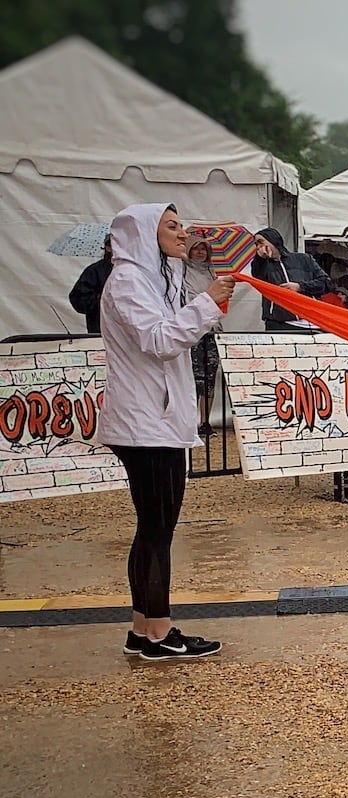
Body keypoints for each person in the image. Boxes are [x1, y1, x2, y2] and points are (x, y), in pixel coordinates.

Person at [97, 204, 236, 659]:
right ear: (143, 234)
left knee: (153, 528)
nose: (183, 233)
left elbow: (173, 334)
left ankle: (144, 628)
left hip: (154, 420)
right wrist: (205, 302)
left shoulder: (153, 279)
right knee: (157, 529)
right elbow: (158, 340)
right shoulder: (129, 281)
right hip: (145, 424)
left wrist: (203, 302)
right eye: (171, 226)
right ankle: (158, 632)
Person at [180, 239, 223, 438]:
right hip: (193, 328)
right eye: (196, 248)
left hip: (212, 329)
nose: (199, 252)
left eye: (203, 249)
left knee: (210, 376)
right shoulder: (182, 271)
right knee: (194, 375)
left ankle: (205, 421)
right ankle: (191, 420)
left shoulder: (211, 272)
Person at [249, 227, 328, 331]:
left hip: (310, 320)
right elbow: (258, 276)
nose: (259, 247)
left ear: (273, 240)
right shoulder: (261, 265)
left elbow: (326, 283)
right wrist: (261, 259)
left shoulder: (304, 259)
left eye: (261, 242)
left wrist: (300, 286)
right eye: (256, 244)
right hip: (279, 322)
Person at [69, 238, 114, 333]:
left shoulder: (134, 270)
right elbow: (78, 299)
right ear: (108, 247)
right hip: (100, 330)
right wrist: (102, 299)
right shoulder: (94, 271)